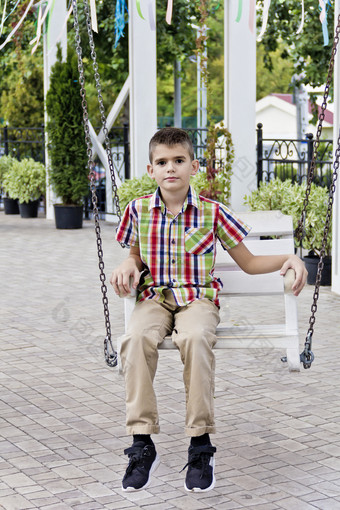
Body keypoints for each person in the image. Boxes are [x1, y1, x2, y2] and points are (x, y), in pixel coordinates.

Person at [110, 127, 307, 493]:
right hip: (153, 297)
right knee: (135, 338)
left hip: (198, 298)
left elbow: (248, 263)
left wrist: (290, 257)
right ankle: (141, 443)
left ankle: (200, 443)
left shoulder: (212, 212)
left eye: (179, 161)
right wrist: (128, 263)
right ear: (150, 169)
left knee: (197, 337)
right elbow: (135, 253)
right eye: (162, 162)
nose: (171, 168)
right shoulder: (137, 209)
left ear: (194, 166)